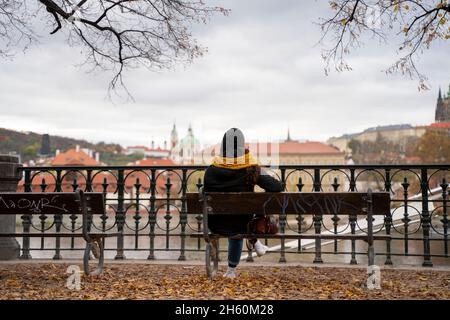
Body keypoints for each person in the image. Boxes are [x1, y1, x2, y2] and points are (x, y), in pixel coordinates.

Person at [203, 128, 284, 278]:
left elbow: (204, 192)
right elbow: (277, 187)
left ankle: (255, 243)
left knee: (236, 219)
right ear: (242, 146)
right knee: (242, 218)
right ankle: (231, 270)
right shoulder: (250, 168)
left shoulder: (211, 170)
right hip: (242, 224)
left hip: (214, 223)